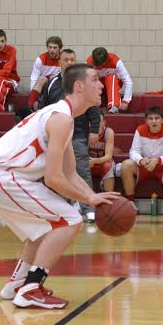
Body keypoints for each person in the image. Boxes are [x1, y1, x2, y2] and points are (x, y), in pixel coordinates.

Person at [0, 63, 119, 309]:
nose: (102, 85)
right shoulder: (60, 118)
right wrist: (89, 201)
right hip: (0, 175)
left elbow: (70, 174)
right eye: (95, 80)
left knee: (42, 229)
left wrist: (94, 195)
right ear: (79, 86)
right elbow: (53, 179)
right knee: (70, 219)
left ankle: (18, 284)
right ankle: (31, 288)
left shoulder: (64, 117)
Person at [37, 48, 102, 222]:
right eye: (66, 60)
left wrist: (94, 129)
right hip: (54, 134)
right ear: (59, 62)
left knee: (80, 171)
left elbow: (93, 106)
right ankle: (63, 207)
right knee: (55, 172)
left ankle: (88, 209)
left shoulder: (82, 84)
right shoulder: (51, 83)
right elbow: (43, 107)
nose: (69, 63)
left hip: (78, 133)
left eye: (73, 60)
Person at [119, 106, 163, 215]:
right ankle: (130, 202)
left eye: (157, 118)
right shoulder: (140, 129)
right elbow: (133, 151)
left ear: (162, 120)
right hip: (145, 165)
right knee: (126, 165)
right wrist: (140, 160)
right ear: (146, 121)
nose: (154, 121)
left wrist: (159, 160)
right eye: (151, 118)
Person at [86, 47, 133, 113]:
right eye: (96, 65)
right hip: (99, 87)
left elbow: (128, 81)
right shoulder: (88, 62)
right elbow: (84, 81)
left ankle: (114, 106)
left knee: (111, 76)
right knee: (89, 78)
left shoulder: (115, 61)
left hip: (113, 85)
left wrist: (125, 101)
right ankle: (92, 106)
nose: (98, 67)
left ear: (105, 61)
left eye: (100, 65)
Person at [28, 36, 62, 110]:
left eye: (55, 48)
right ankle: (31, 106)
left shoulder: (63, 59)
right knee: (42, 79)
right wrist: (33, 95)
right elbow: (34, 78)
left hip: (59, 84)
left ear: (60, 49)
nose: (52, 50)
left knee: (54, 78)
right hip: (44, 84)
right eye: (50, 47)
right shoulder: (40, 59)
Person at [89, 111, 116, 192]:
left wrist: (95, 161)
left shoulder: (108, 132)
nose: (96, 124)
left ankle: (109, 197)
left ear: (104, 122)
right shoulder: (85, 132)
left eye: (98, 121)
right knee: (80, 165)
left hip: (103, 162)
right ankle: (83, 199)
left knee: (108, 166)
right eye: (93, 121)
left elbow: (108, 156)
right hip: (89, 162)